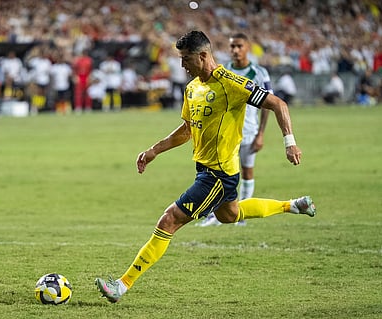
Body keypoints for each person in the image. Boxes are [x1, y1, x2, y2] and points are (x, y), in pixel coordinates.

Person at [95, 31, 316, 303]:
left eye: (186, 59)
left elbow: (277, 103)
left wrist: (289, 142)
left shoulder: (231, 83)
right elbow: (186, 130)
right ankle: (293, 205)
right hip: (208, 170)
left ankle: (122, 284)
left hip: (218, 175)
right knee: (229, 215)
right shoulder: (192, 88)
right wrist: (154, 150)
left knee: (169, 220)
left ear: (203, 56)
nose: (182, 66)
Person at [196, 32, 272, 227]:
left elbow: (268, 105)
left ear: (248, 47)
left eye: (239, 46)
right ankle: (215, 215)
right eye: (232, 47)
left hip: (248, 131)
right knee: (218, 174)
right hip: (224, 132)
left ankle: (241, 214)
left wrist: (261, 134)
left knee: (247, 172)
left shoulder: (259, 73)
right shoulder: (222, 70)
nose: (235, 50)